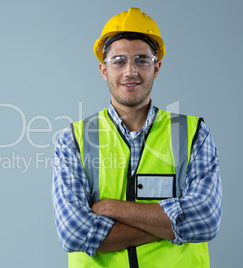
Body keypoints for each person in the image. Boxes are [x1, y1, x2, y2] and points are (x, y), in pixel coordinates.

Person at [52, 7, 222, 268]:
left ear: (157, 67)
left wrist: (111, 208)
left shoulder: (192, 133)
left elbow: (206, 219)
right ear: (103, 70)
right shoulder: (73, 140)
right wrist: (171, 226)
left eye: (142, 60)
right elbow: (74, 233)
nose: (130, 71)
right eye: (119, 61)